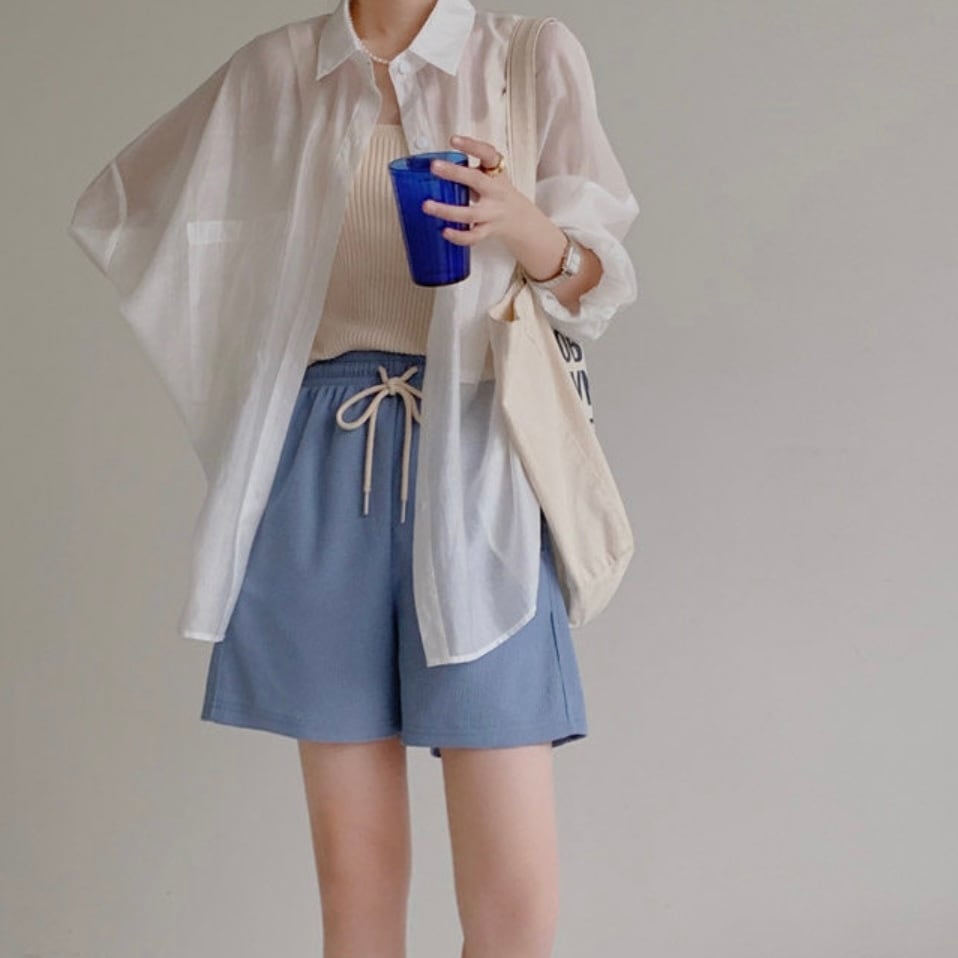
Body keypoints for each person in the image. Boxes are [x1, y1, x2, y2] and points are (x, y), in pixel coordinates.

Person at [68, 0, 639, 954]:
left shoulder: (524, 55)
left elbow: (596, 285)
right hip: (326, 462)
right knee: (356, 889)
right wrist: (251, 321)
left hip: (477, 466)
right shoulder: (279, 69)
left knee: (513, 907)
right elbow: (127, 212)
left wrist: (523, 224)